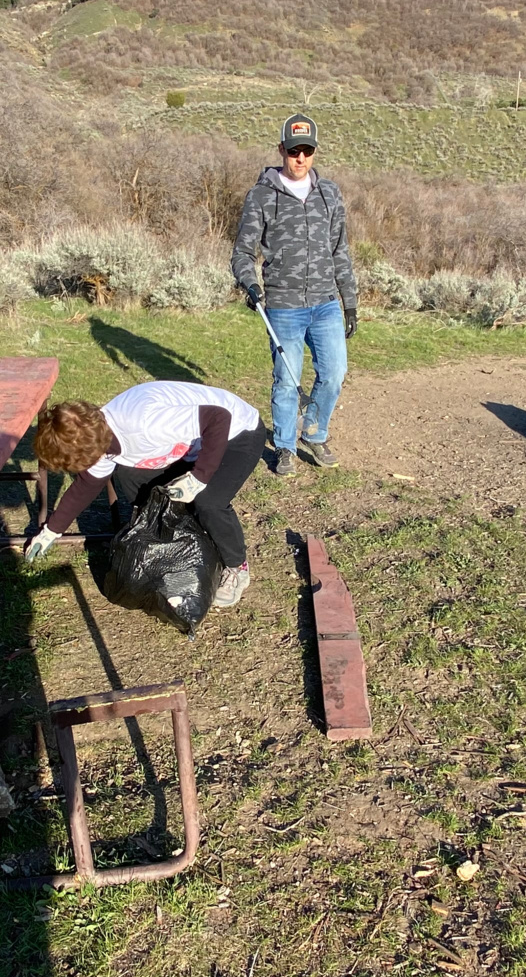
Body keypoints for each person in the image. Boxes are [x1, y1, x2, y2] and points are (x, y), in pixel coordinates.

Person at [22, 381, 266, 607]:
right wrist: (51, 531)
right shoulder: (97, 438)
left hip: (237, 432)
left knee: (209, 501)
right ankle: (171, 539)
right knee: (130, 475)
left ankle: (237, 566)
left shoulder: (145, 422)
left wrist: (199, 477)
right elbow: (86, 485)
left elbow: (218, 417)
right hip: (192, 444)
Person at [231, 112, 357, 476]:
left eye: (307, 151)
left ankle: (314, 433)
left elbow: (340, 250)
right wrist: (250, 283)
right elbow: (242, 252)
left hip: (326, 302)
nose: (300, 158)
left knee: (334, 372)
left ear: (314, 152)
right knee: (287, 379)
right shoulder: (261, 195)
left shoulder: (329, 193)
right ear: (281, 149)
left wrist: (349, 301)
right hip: (283, 305)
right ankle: (285, 446)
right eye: (293, 151)